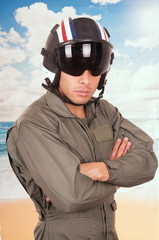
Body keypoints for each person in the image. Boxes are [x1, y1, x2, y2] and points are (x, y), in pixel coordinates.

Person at [6, 17, 158, 240]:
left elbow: (148, 161)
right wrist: (117, 178)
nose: (86, 80)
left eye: (95, 68)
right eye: (75, 66)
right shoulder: (33, 123)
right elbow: (73, 196)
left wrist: (101, 169)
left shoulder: (106, 112)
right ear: (57, 68)